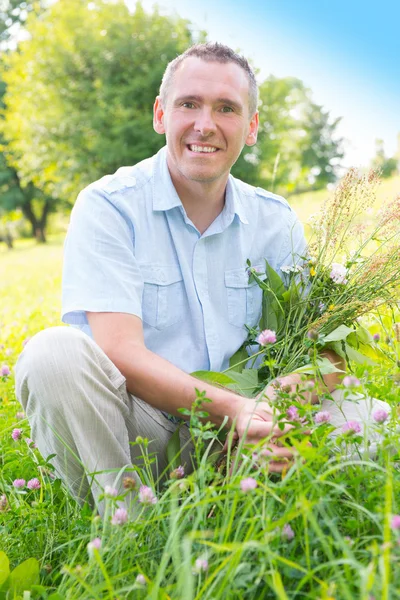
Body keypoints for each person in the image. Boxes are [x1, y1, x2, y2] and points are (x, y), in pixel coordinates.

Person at [15, 42, 389, 516]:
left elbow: (328, 350)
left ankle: (243, 504)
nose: (205, 124)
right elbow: (118, 350)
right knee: (51, 354)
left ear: (251, 127)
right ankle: (127, 527)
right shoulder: (109, 205)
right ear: (160, 114)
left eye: (226, 108)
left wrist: (273, 406)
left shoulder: (276, 220)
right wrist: (233, 409)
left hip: (248, 431)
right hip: (142, 434)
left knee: (365, 419)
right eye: (188, 103)